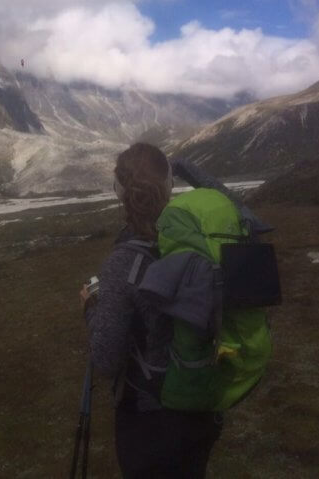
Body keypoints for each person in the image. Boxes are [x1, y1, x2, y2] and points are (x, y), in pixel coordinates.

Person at [80, 142, 222, 479]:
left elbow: (105, 359)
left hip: (149, 420)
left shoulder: (123, 262)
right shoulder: (202, 239)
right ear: (170, 186)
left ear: (119, 191)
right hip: (203, 406)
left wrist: (90, 306)